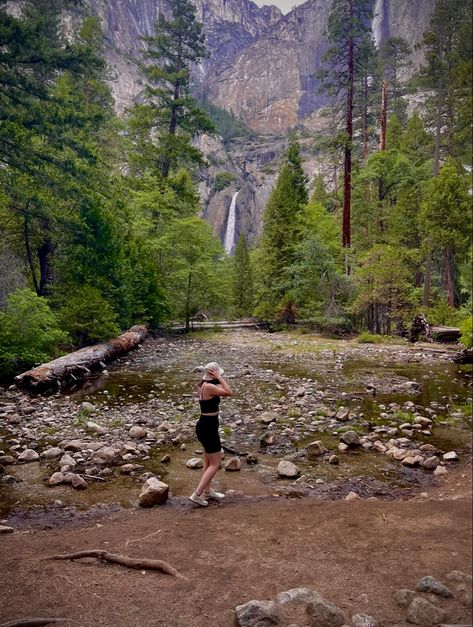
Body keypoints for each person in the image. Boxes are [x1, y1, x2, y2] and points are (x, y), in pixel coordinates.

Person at [189, 361, 232, 506]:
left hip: (205, 425)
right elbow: (229, 392)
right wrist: (219, 377)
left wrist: (215, 377)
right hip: (208, 427)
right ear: (213, 375)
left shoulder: (202, 385)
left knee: (208, 461)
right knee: (215, 463)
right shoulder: (210, 387)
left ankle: (207, 491)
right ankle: (197, 494)